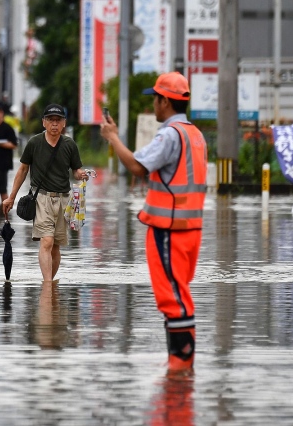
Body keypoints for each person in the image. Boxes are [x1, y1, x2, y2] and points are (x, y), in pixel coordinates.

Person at [99, 71, 208, 372]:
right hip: (191, 229)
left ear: (165, 101)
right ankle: (181, 362)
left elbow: (137, 166)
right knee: (179, 292)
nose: (154, 106)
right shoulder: (195, 135)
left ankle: (180, 363)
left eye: (155, 100)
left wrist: (113, 138)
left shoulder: (170, 135)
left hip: (168, 229)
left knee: (171, 296)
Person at [3, 103, 87, 282]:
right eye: (50, 120)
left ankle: (50, 285)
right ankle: (47, 285)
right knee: (46, 241)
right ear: (44, 122)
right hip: (41, 199)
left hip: (64, 200)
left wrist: (82, 174)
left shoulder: (69, 145)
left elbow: (76, 170)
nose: (54, 124)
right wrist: (11, 197)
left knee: (56, 246)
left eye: (58, 120)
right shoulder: (35, 143)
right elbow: (23, 170)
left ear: (64, 123)